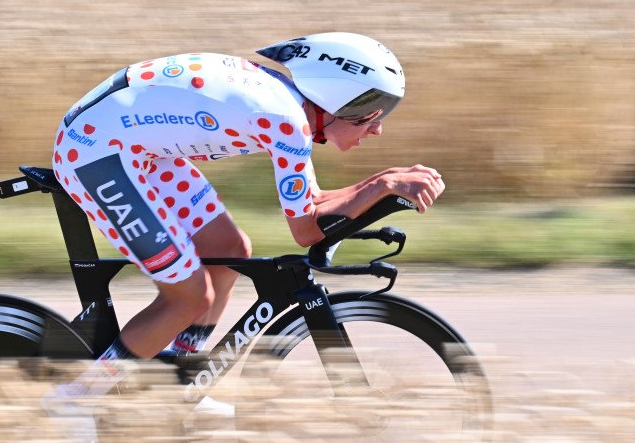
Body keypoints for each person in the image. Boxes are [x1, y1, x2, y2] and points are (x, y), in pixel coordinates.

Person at [49, 32, 445, 403]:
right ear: (339, 99)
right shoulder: (286, 121)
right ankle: (77, 399)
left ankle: (174, 383)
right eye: (373, 111)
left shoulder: (288, 106)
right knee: (188, 297)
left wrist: (384, 181)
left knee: (228, 250)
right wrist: (383, 185)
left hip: (133, 148)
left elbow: (314, 200)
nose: (377, 128)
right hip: (96, 156)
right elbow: (306, 229)